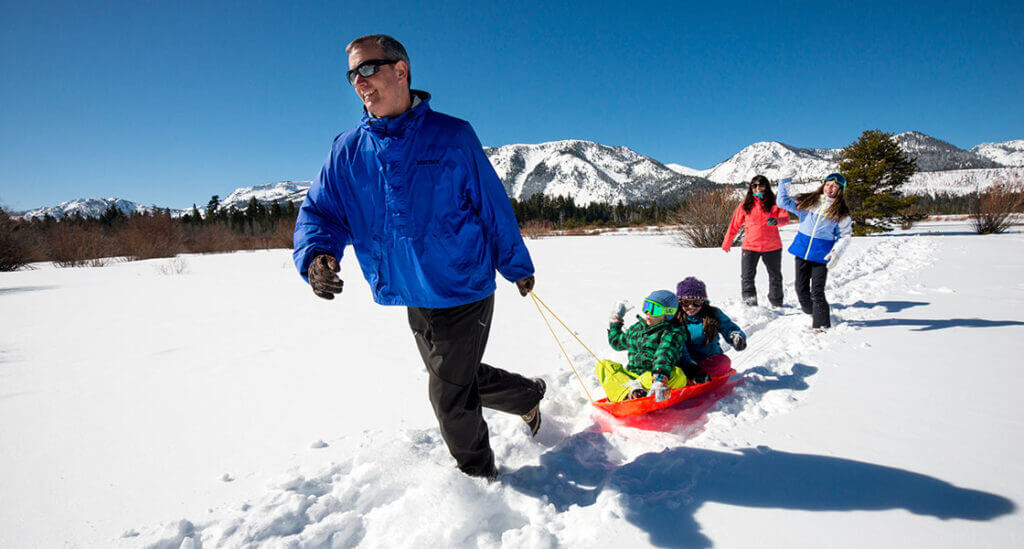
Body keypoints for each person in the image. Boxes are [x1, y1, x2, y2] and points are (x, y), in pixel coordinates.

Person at [292, 34, 543, 480]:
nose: (359, 82)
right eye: (352, 74)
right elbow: (320, 212)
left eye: (368, 69)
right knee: (457, 377)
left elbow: (493, 206)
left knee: (449, 397)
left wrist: (517, 266)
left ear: (401, 71)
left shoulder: (452, 136)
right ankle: (526, 395)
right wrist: (317, 256)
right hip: (409, 289)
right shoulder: (347, 151)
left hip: (462, 287)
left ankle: (480, 480)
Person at [776, 173, 853, 330]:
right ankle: (812, 312)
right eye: (828, 184)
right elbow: (782, 201)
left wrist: (836, 253)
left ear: (840, 190)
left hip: (821, 257)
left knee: (817, 292)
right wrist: (784, 180)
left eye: (834, 186)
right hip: (802, 253)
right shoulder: (810, 202)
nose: (830, 188)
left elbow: (845, 235)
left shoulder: (841, 213)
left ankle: (822, 326)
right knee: (801, 290)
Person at [596, 290, 692, 402]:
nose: (648, 312)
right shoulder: (636, 329)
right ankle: (631, 392)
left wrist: (659, 378)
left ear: (667, 313)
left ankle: (627, 392)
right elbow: (616, 342)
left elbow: (664, 353)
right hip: (631, 377)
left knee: (677, 374)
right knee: (603, 365)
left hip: (653, 377)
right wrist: (616, 320)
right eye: (646, 306)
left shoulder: (672, 332)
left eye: (654, 309)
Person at [721, 174, 791, 307]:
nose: (757, 188)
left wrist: (777, 221)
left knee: (775, 276)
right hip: (750, 247)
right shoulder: (745, 205)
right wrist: (727, 242)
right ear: (751, 188)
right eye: (754, 185)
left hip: (772, 246)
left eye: (760, 184)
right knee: (747, 278)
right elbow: (734, 225)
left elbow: (785, 219)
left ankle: (777, 303)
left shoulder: (776, 202)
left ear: (766, 186)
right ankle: (750, 306)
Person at [673, 277, 747, 382]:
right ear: (679, 302)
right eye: (686, 303)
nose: (691, 306)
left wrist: (736, 336)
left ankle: (698, 376)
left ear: (703, 301)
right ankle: (688, 375)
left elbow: (729, 327)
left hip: (708, 360)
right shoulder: (675, 318)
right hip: (685, 362)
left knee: (723, 362)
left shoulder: (713, 314)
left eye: (696, 303)